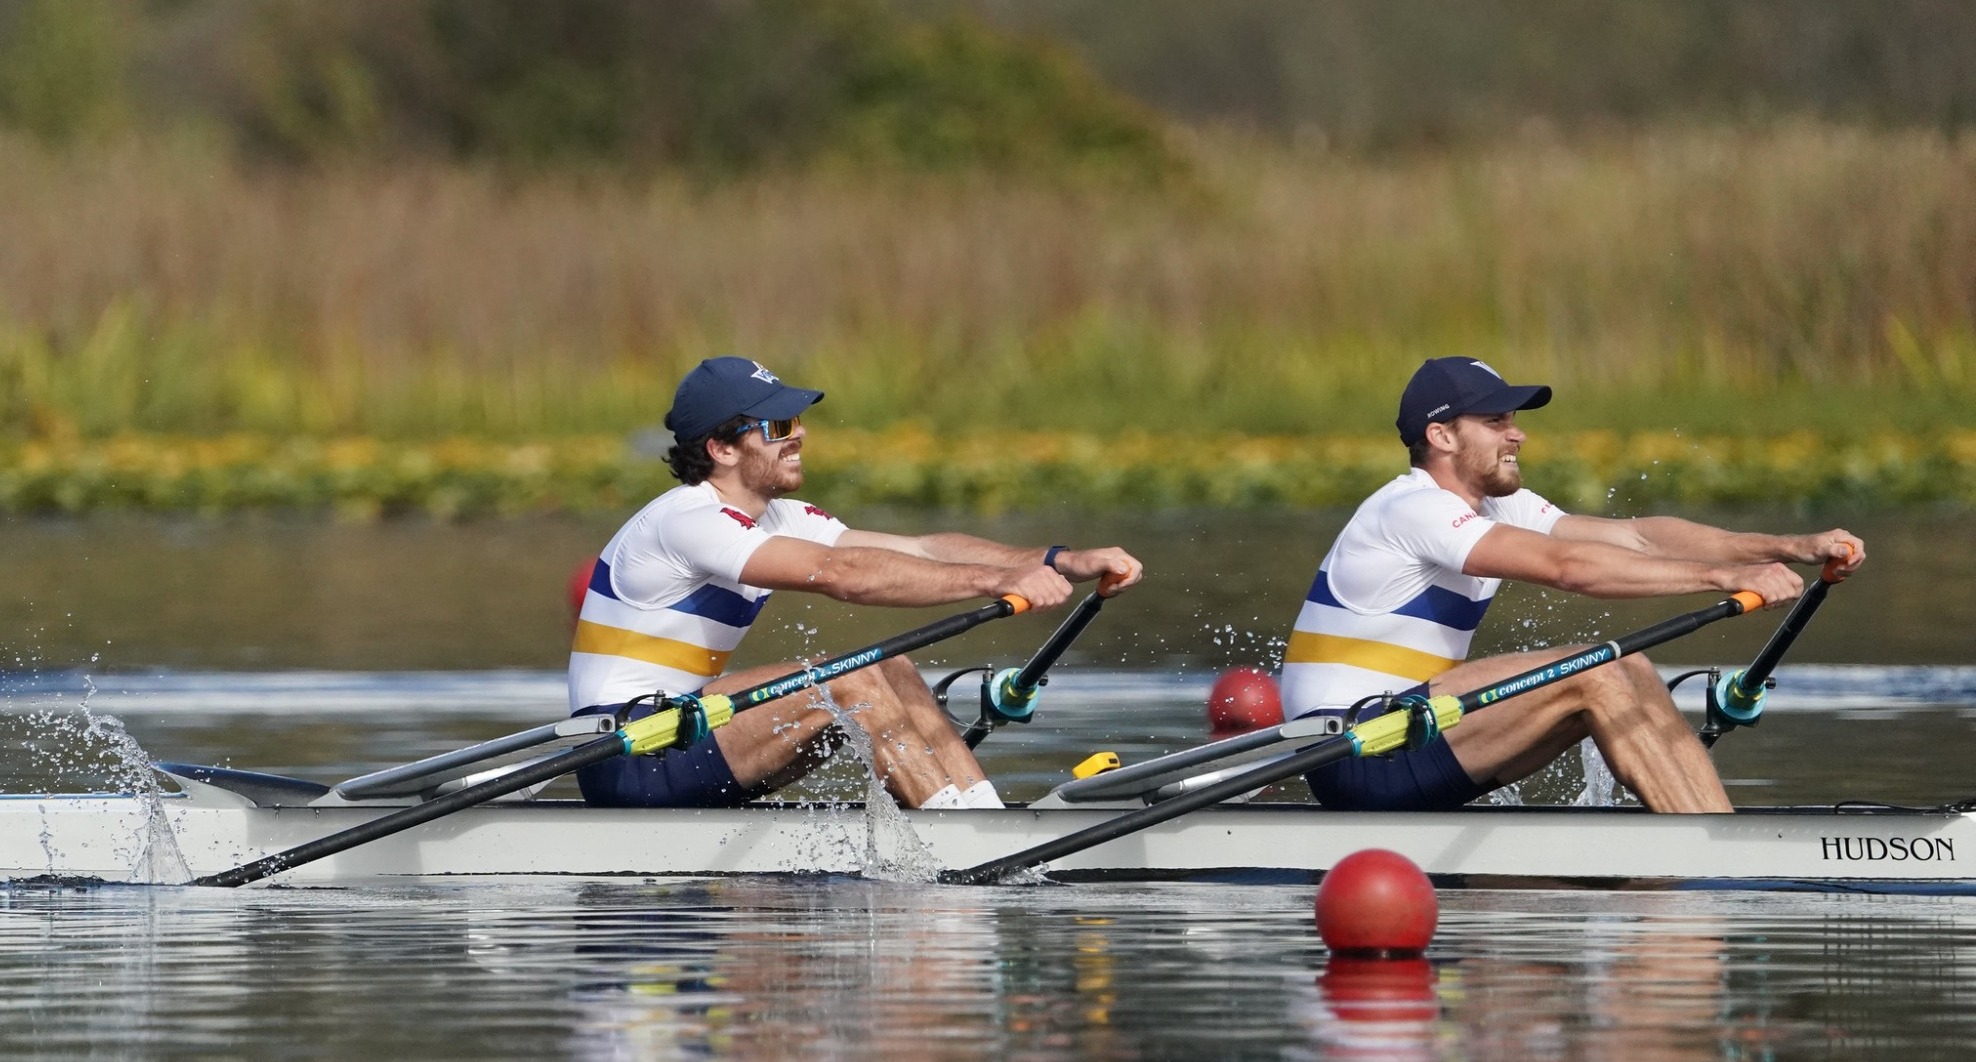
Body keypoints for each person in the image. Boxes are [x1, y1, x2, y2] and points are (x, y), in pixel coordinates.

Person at [1279, 357, 1865, 813]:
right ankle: (1708, 850)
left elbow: (1639, 539)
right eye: (1496, 422)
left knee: (1631, 667)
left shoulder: (1495, 507)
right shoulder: (1411, 508)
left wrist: (1790, 546)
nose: (1517, 435)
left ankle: (1715, 828)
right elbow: (1569, 568)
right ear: (1443, 437)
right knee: (1596, 671)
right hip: (1357, 750)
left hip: (1411, 734)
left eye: (1514, 420)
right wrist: (1724, 578)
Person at [569, 356, 1144, 810]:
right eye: (777, 426)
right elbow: (841, 575)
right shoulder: (687, 519)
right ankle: (955, 834)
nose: (797, 435)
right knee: (847, 678)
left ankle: (978, 814)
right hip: (628, 752)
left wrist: (1057, 559)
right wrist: (998, 580)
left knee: (893, 668)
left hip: (687, 733)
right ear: (721, 449)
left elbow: (921, 549)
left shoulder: (782, 518)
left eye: (796, 422)